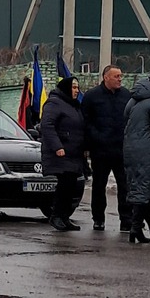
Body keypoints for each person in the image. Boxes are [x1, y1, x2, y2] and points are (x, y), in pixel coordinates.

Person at [80, 64, 131, 233]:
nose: (120, 79)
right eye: (116, 76)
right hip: (100, 150)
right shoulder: (92, 96)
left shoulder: (126, 95)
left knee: (124, 186)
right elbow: (85, 122)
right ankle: (98, 219)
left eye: (120, 76)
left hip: (121, 149)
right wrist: (93, 141)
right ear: (106, 77)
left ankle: (126, 219)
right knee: (99, 186)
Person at [121, 72, 150, 243]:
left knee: (139, 190)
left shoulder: (132, 101)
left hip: (130, 149)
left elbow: (125, 122)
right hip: (147, 151)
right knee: (144, 191)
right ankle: (135, 229)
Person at [38, 74, 88, 232]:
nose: (76, 91)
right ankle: (56, 216)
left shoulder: (73, 105)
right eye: (73, 87)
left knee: (71, 185)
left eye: (77, 88)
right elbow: (47, 125)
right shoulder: (54, 103)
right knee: (65, 184)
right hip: (61, 151)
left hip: (74, 152)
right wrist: (57, 147)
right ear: (66, 88)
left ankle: (64, 217)